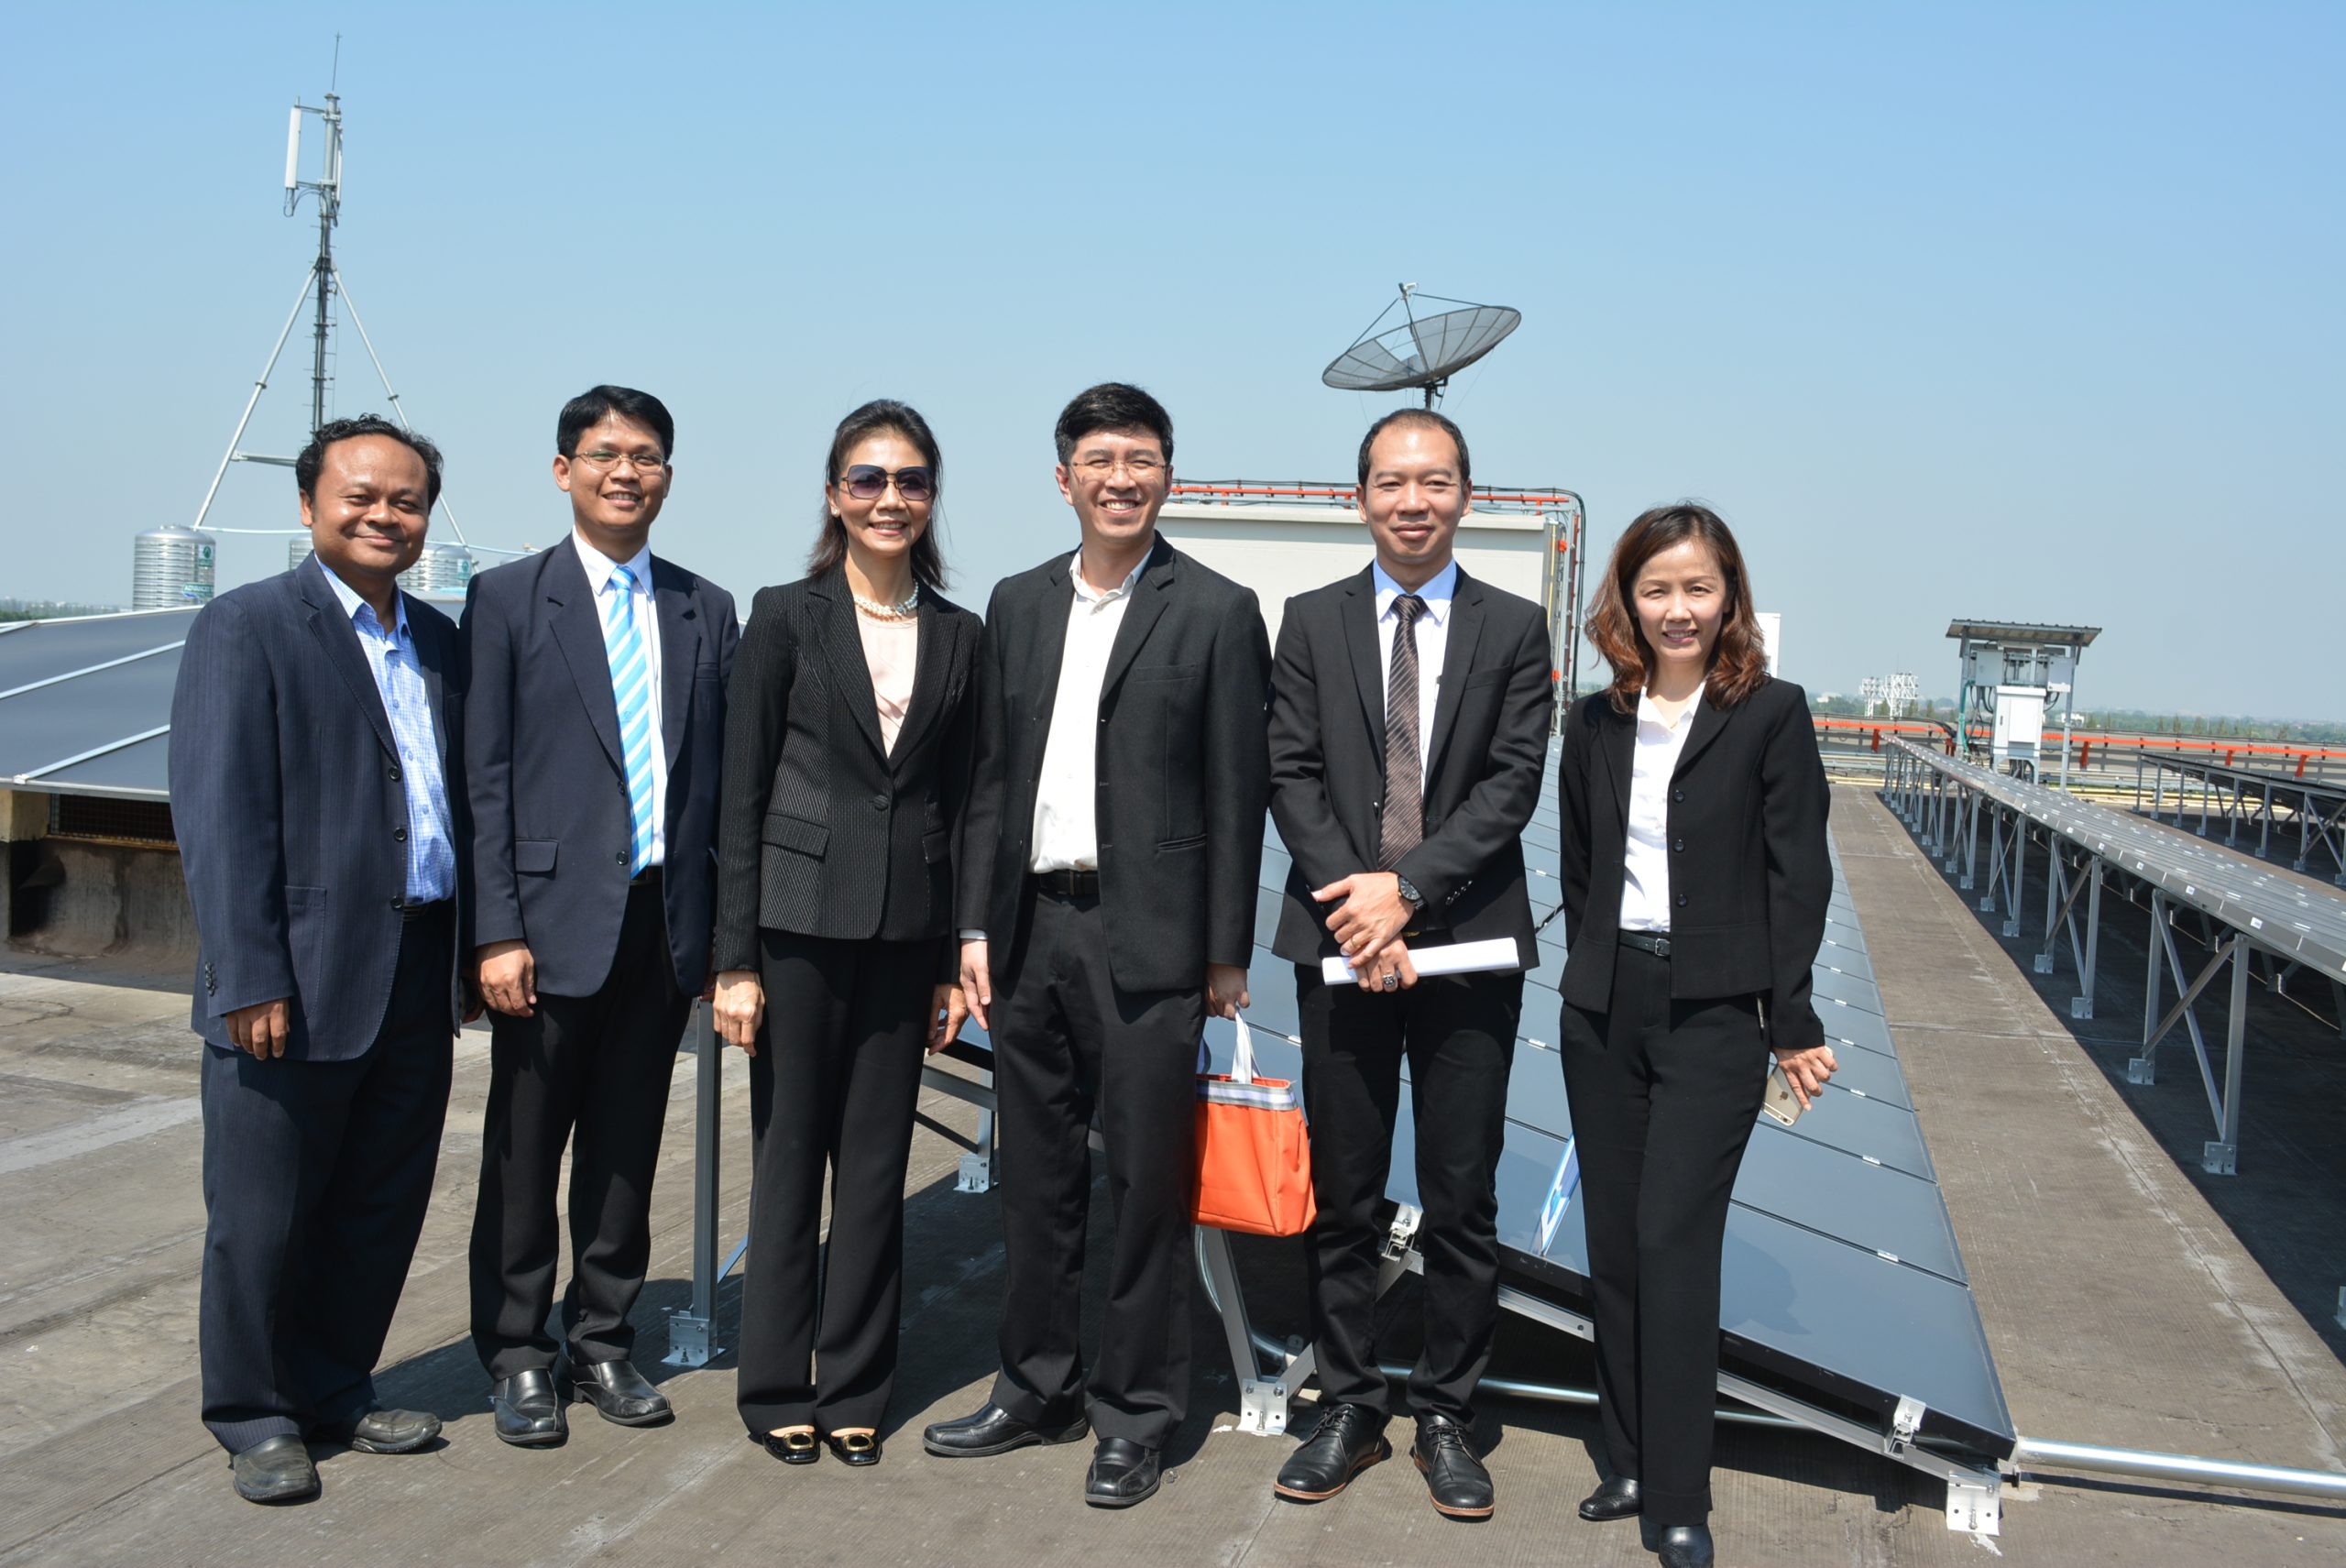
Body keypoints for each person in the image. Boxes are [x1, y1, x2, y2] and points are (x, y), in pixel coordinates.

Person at [922, 382, 1271, 1508]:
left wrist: (1224, 951)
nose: (1122, 478)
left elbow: (1238, 793)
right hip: (1030, 930)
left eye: (1142, 458)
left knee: (1146, 1184)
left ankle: (1136, 1414)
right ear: (1062, 475)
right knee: (1033, 1181)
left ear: (1167, 473)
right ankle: (1036, 1387)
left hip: (1151, 940)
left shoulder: (1216, 608)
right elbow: (987, 779)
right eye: (1101, 459)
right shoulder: (1018, 604)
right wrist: (973, 924)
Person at [170, 414, 469, 1503]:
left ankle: (337, 1386)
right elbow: (221, 811)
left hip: (417, 962)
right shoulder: (246, 626)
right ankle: (255, 1413)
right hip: (292, 974)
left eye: (406, 500)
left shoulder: (438, 638)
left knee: (378, 1200)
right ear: (309, 505)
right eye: (361, 496)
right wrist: (247, 972)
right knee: (263, 1215)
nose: (385, 515)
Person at [1262, 410, 1552, 1521]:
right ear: (1361, 497)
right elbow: (1290, 773)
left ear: (1466, 494)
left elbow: (1511, 784)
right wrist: (1361, 907)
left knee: (1459, 1194)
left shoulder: (1513, 627)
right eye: (1391, 481)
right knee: (1342, 1190)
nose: (1412, 500)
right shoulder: (1310, 620)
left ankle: (1445, 1413)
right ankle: (1347, 1403)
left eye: (1433, 481)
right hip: (1341, 939)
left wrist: (1408, 891)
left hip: (1467, 942)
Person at [1554, 503, 1834, 1568]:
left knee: (1674, 1241)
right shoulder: (1594, 721)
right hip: (1605, 1006)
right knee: (1615, 1243)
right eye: (1657, 589)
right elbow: (1581, 864)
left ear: (1729, 599)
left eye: (1698, 588)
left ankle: (1679, 1495)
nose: (1678, 608)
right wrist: (1593, 973)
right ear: (1627, 600)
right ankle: (1626, 1458)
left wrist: (1789, 1019)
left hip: (1715, 1013)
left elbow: (1796, 875)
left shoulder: (1770, 713)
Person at [464, 385, 739, 1445]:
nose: (627, 472)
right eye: (606, 453)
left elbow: (718, 785)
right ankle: (518, 1354)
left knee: (626, 1150)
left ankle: (603, 1342)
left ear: (668, 475)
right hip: (543, 929)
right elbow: (485, 776)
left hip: (660, 925)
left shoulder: (703, 607)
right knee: (525, 1154)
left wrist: (719, 939)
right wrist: (496, 929)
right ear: (563, 469)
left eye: (648, 456)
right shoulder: (505, 599)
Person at [708, 400, 980, 1468]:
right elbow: (740, 794)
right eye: (868, 479)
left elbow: (964, 802)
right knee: (789, 1160)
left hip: (906, 935)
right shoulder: (785, 616)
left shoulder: (960, 633)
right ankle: (777, 1383)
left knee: (875, 1169)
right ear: (834, 495)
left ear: (930, 497)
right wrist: (734, 959)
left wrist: (954, 958)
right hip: (796, 927)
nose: (888, 498)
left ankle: (857, 1382)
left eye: (909, 480)